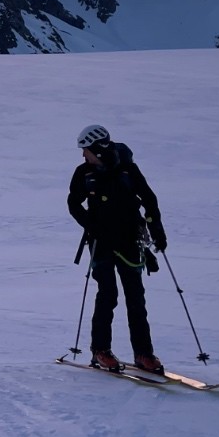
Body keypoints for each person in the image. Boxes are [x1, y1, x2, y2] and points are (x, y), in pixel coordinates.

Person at [66, 124, 166, 374]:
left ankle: (144, 354)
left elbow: (149, 200)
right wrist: (91, 225)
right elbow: (73, 203)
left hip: (129, 240)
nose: (82, 155)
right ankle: (101, 350)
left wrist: (157, 232)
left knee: (135, 297)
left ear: (98, 150)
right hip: (100, 243)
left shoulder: (128, 169)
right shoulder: (83, 173)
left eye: (85, 150)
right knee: (108, 294)